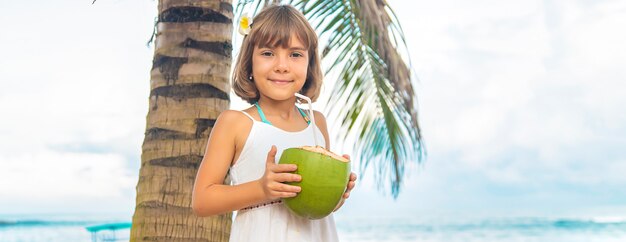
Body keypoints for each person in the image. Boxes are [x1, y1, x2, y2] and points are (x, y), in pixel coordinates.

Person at [192, 4, 357, 242]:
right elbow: (202, 201)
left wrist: (335, 195)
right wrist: (262, 188)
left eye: (295, 54)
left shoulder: (316, 122)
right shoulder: (236, 123)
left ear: (309, 65)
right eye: (268, 53)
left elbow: (314, 209)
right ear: (249, 62)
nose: (282, 65)